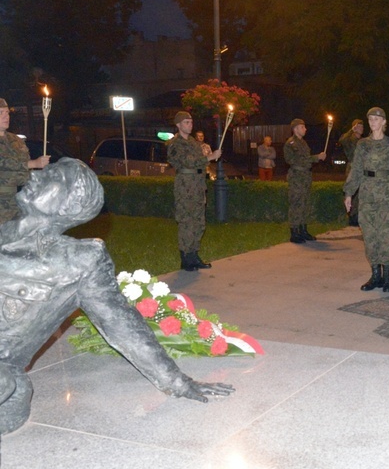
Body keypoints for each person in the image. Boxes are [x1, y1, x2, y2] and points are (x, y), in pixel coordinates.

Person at [0, 158, 234, 434]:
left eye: (53, 177)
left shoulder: (78, 262)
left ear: (70, 206)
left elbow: (121, 324)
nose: (35, 177)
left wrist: (177, 382)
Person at [344, 107, 389, 292]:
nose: (373, 123)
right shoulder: (362, 145)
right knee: (370, 236)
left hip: (387, 196)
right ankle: (375, 276)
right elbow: (356, 170)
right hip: (367, 196)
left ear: (383, 122)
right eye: (370, 119)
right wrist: (349, 193)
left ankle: (387, 278)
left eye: (376, 119)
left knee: (386, 236)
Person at [167, 112, 222, 271]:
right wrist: (209, 157)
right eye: (186, 122)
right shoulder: (174, 144)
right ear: (178, 125)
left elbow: (199, 160)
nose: (190, 125)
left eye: (191, 122)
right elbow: (188, 162)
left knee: (198, 221)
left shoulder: (193, 142)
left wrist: (209, 158)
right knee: (186, 221)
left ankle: (194, 254)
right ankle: (185, 257)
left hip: (197, 185)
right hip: (185, 185)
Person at [0, 98, 50, 223]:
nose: (6, 116)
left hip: (21, 203)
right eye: (1, 113)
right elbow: (3, 162)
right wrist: (33, 163)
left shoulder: (16, 140)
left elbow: (27, 169)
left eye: (7, 113)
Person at [283, 118, 326, 244]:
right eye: (302, 127)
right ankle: (294, 232)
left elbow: (306, 158)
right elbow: (293, 160)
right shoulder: (290, 143)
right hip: (297, 176)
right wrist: (315, 158)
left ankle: (303, 229)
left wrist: (315, 158)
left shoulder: (303, 143)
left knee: (304, 203)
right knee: (296, 203)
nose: (305, 129)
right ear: (295, 129)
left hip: (305, 176)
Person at [339, 119, 364, 226]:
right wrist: (351, 130)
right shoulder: (350, 139)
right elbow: (342, 140)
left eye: (362, 126)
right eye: (359, 126)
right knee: (352, 192)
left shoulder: (363, 140)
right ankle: (352, 217)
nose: (361, 128)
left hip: (362, 168)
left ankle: (358, 215)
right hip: (353, 167)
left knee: (360, 194)